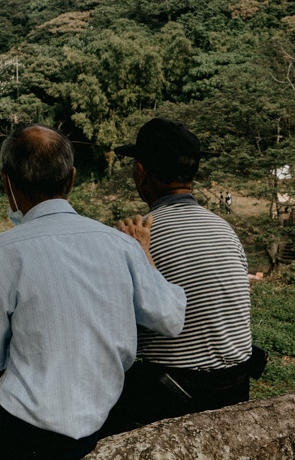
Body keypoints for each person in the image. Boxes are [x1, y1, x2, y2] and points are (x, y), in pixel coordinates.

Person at [0, 124, 186, 460]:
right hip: (98, 423)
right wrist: (143, 255)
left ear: (7, 184)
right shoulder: (123, 245)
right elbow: (172, 318)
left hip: (25, 439)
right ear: (71, 180)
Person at [103, 118, 257, 435]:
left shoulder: (138, 235)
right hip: (237, 386)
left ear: (141, 172)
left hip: (174, 393)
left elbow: (112, 329)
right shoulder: (224, 230)